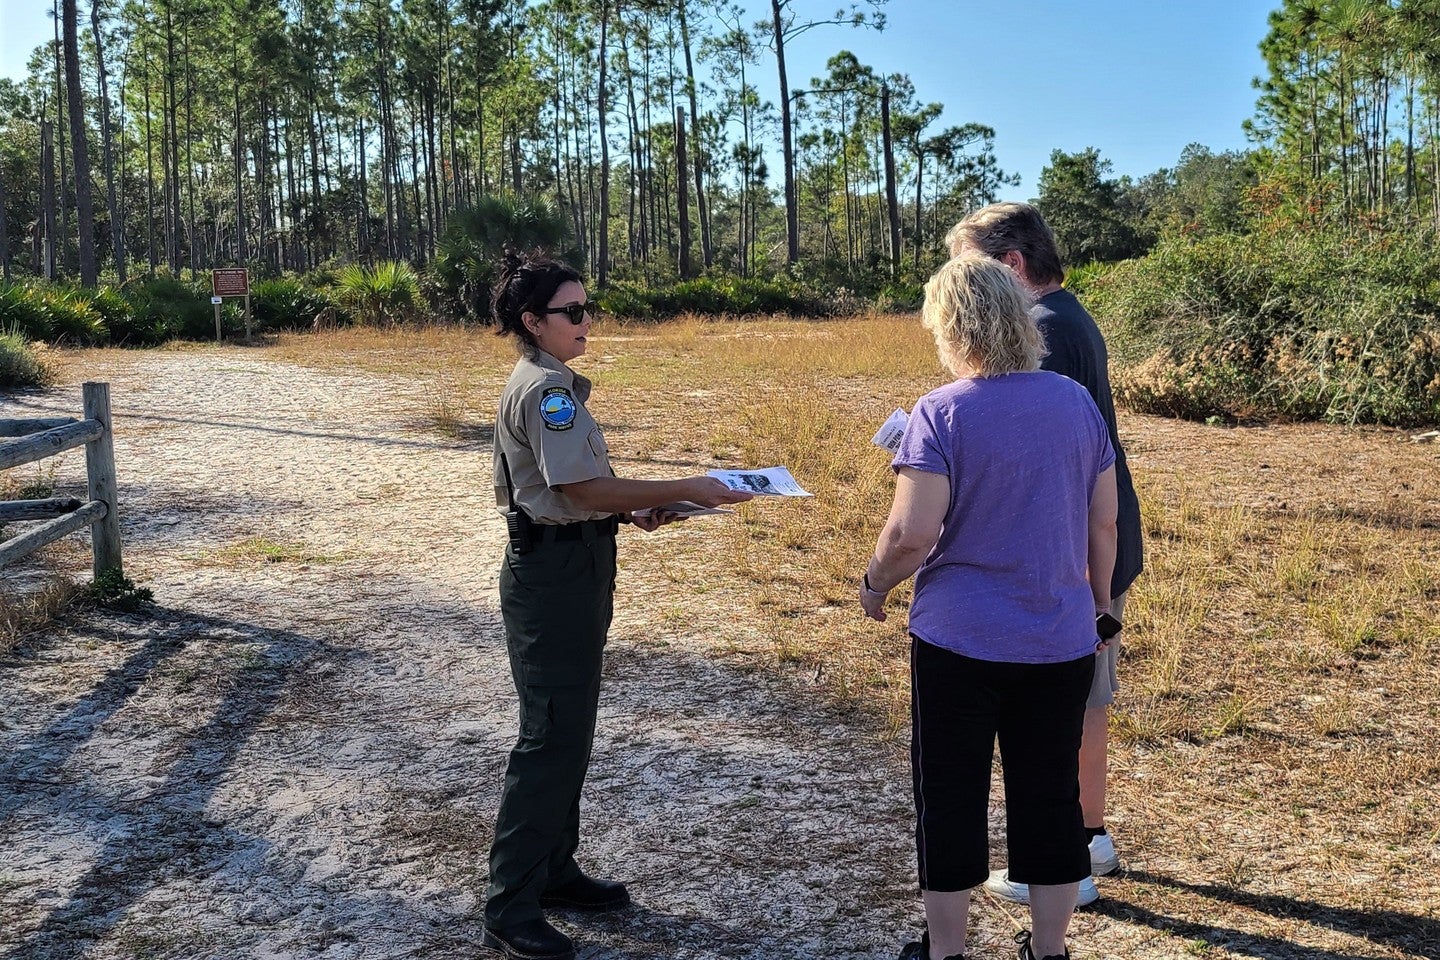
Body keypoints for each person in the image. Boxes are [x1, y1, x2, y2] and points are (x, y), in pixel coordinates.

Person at [482, 252, 752, 960]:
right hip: (553, 573)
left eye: (586, 307)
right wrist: (690, 480)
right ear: (533, 321)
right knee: (550, 736)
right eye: (571, 312)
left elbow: (583, 496)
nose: (586, 320)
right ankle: (511, 901)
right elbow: (581, 492)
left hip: (572, 558)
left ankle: (552, 870)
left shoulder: (555, 385)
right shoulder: (549, 393)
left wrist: (644, 510)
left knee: (569, 729)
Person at [860, 254, 1118, 960]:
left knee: (950, 796)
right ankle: (1050, 949)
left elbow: (912, 535)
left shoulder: (940, 413)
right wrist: (1099, 607)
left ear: (951, 327)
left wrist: (876, 584)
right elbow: (1104, 524)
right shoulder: (1075, 402)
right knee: (1049, 799)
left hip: (958, 642)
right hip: (1060, 639)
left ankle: (946, 952)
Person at [946, 202, 1143, 908]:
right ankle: (1089, 839)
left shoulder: (1044, 330)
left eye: (966, 268)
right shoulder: (1071, 314)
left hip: (1069, 554)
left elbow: (1029, 453)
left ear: (1011, 266)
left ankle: (1061, 867)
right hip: (1093, 540)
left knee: (1055, 716)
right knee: (1086, 703)